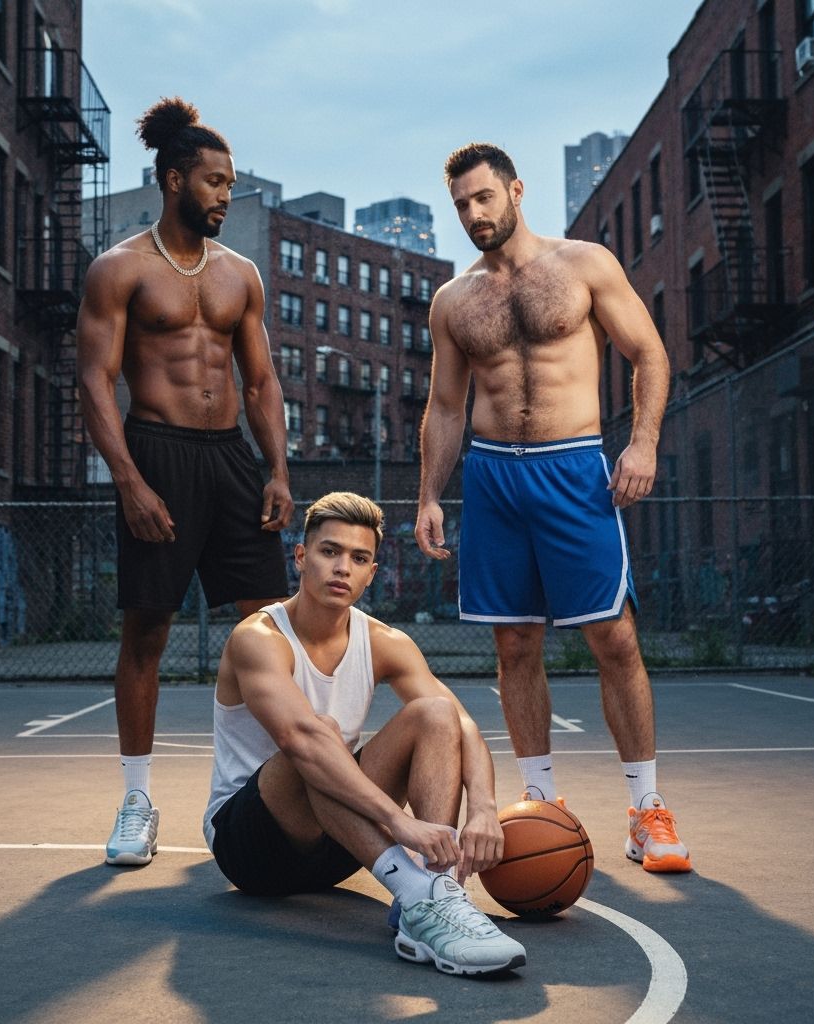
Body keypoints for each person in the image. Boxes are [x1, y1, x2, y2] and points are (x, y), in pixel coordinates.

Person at [414, 142, 690, 874]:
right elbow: (445, 406)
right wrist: (429, 497)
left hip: (575, 468)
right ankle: (543, 803)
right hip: (495, 477)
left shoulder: (585, 265)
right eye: (462, 204)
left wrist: (643, 445)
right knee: (514, 645)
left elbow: (650, 354)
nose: (474, 214)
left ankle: (646, 811)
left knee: (615, 637)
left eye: (484, 197)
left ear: (515, 190)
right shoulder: (453, 300)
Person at [77, 98, 293, 866]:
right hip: (158, 454)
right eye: (212, 182)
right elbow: (97, 385)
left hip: (232, 458)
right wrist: (129, 482)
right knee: (148, 632)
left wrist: (277, 470)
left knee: (269, 630)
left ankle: (267, 786)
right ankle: (137, 800)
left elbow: (263, 384)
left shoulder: (242, 276)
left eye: (230, 183)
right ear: (174, 180)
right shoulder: (121, 269)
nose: (225, 195)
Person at [204, 492, 526, 976]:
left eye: (359, 558)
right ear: (300, 557)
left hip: (341, 839)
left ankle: (435, 893)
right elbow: (300, 740)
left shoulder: (384, 642)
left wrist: (483, 807)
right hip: (251, 846)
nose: (342, 568)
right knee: (322, 732)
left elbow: (464, 727)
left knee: (436, 713)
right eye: (329, 552)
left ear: (372, 572)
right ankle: (417, 891)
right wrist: (398, 824)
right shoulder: (258, 638)